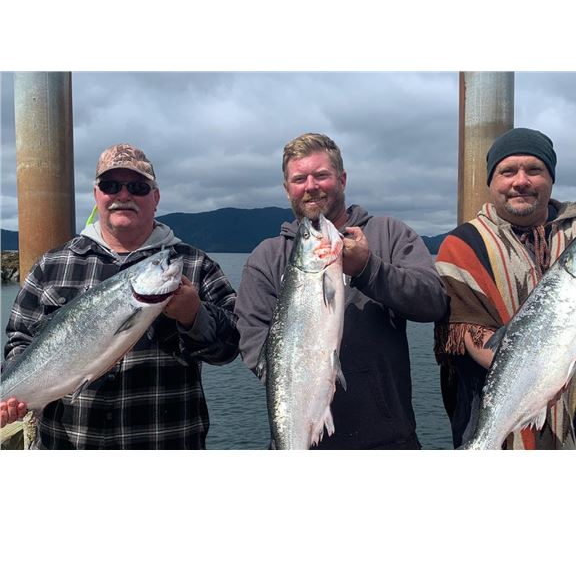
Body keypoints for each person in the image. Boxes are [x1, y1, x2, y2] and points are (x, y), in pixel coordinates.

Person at [1, 144, 239, 449]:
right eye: (111, 186)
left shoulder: (195, 264)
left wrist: (195, 316)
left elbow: (231, 345)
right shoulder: (52, 265)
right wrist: (11, 397)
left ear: (155, 198)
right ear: (96, 194)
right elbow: (20, 340)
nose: (123, 195)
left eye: (138, 187)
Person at [234, 133, 448, 449]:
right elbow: (253, 340)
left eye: (321, 175)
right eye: (299, 179)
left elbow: (434, 301)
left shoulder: (389, 234)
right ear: (287, 188)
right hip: (300, 432)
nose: (310, 186)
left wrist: (368, 269)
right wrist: (307, 379)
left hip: (389, 442)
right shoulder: (266, 258)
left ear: (342, 179)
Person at [434, 127, 576, 450]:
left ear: (551, 178)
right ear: (491, 181)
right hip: (505, 425)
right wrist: (544, 374)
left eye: (534, 170)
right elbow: (471, 336)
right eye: (507, 171)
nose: (521, 181)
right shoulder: (462, 246)